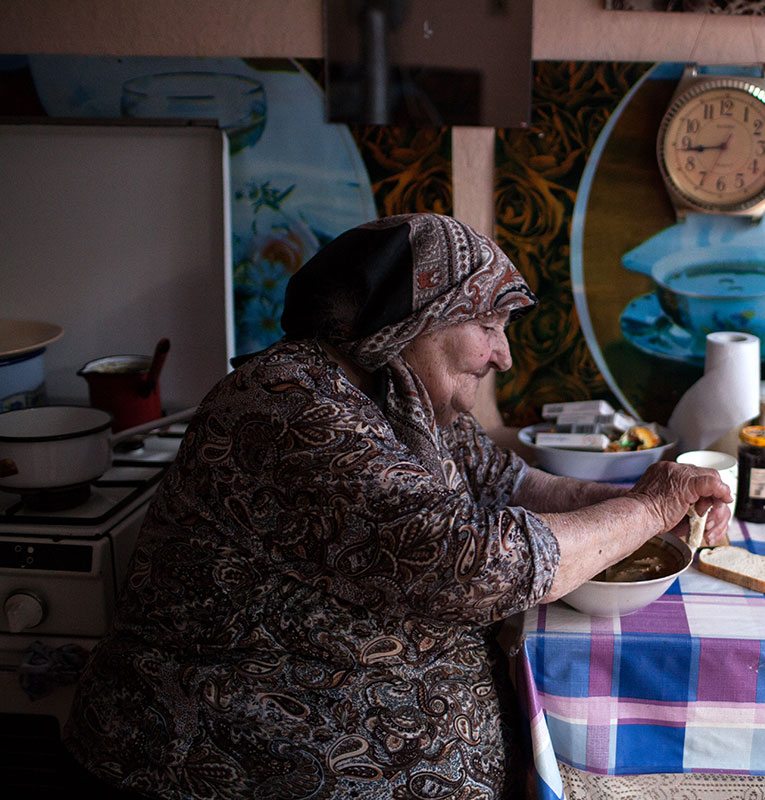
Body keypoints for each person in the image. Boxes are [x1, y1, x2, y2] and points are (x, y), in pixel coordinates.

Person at [63, 213, 731, 800]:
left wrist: (646, 507)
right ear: (417, 317)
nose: (502, 354)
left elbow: (517, 486)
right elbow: (472, 564)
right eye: (488, 324)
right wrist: (649, 505)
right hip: (216, 766)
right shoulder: (289, 405)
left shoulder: (405, 404)